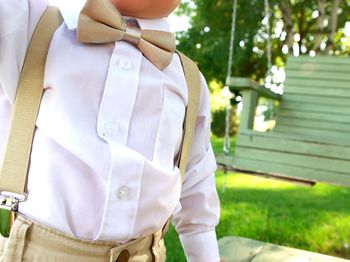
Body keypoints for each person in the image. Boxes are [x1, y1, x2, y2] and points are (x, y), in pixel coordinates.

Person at [0, 0, 220, 261]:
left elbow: (197, 182)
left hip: (144, 253)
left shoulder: (188, 79)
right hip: (36, 250)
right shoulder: (27, 24)